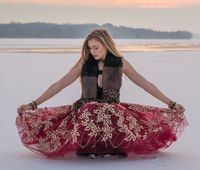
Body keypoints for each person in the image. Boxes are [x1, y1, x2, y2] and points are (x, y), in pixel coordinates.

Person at [16, 28, 187, 159]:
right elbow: (59, 84)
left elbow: (146, 84)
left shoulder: (120, 63)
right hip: (85, 114)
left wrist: (171, 103)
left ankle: (109, 147)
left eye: (96, 47)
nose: (93, 52)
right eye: (90, 48)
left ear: (106, 44)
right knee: (90, 107)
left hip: (112, 114)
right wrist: (33, 104)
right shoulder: (84, 64)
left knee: (109, 110)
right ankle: (90, 147)